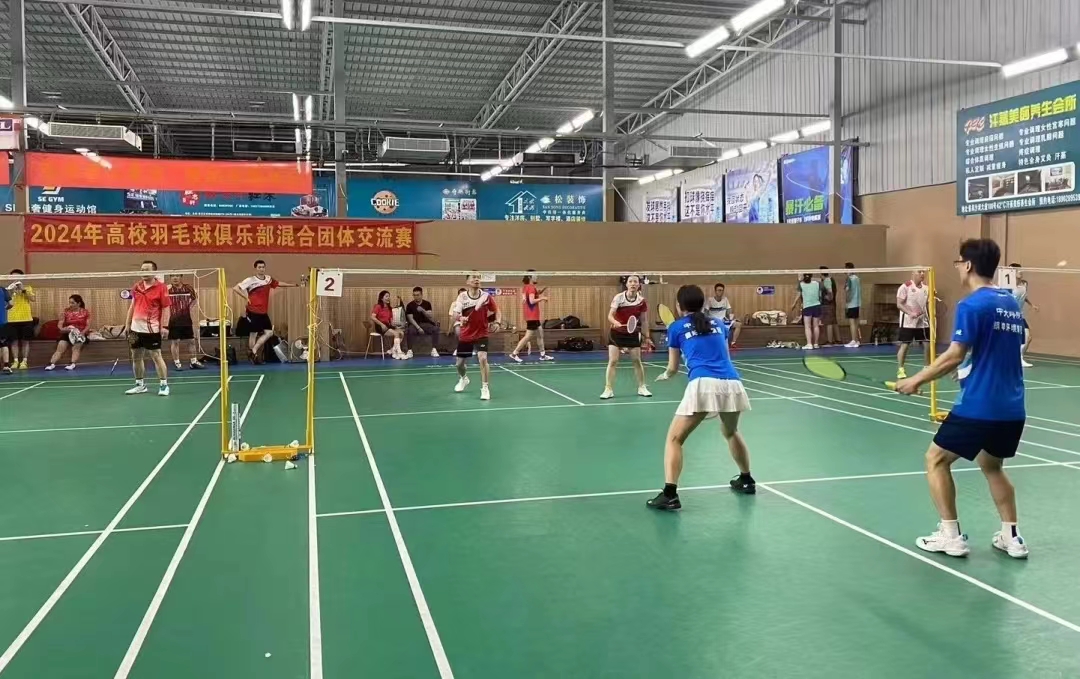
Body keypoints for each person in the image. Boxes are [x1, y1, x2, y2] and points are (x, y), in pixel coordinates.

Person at [896, 238, 1028, 559]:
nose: (957, 267)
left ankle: (950, 536)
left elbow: (954, 354)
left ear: (967, 265)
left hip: (979, 406)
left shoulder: (971, 305)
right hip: (1012, 408)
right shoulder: (1010, 302)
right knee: (992, 465)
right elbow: (996, 349)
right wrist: (969, 367)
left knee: (936, 460)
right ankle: (1012, 537)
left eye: (958, 262)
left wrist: (916, 379)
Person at [648, 284, 755, 510]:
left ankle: (669, 494)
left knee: (674, 440)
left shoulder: (676, 328)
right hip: (732, 382)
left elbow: (673, 368)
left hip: (703, 384)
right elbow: (725, 356)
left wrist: (666, 375)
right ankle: (746, 480)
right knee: (731, 431)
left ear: (679, 306)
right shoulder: (718, 324)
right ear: (703, 304)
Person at [234, 259, 299, 364]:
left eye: (263, 267)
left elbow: (278, 283)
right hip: (253, 310)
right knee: (253, 334)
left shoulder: (268, 279)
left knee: (269, 332)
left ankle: (253, 350)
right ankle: (254, 357)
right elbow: (236, 288)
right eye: (259, 267)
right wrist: (246, 297)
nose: (261, 269)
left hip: (263, 312)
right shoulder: (250, 280)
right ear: (255, 268)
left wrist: (292, 285)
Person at [124, 261, 172, 396]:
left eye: (147, 269)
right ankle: (140, 385)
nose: (144, 272)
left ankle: (164, 385)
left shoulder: (161, 287)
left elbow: (166, 308)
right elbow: (132, 306)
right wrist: (127, 324)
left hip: (151, 329)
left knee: (156, 356)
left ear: (154, 272)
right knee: (136, 356)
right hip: (135, 329)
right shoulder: (137, 286)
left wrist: (165, 326)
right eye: (142, 270)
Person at [450, 273, 500, 400]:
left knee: (483, 358)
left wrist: (497, 322)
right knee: (459, 364)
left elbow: (497, 311)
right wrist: (461, 318)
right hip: (466, 334)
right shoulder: (462, 296)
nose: (477, 279)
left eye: (478, 277)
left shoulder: (486, 297)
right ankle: (463, 378)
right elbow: (455, 314)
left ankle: (485, 388)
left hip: (481, 333)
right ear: (467, 281)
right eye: (473, 277)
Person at [602, 274, 651, 399]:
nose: (633, 284)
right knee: (613, 361)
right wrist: (615, 322)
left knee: (636, 360)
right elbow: (610, 315)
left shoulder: (641, 301)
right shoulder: (619, 298)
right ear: (627, 284)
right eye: (630, 281)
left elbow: (644, 320)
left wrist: (647, 337)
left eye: (635, 281)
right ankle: (608, 389)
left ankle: (642, 387)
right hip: (616, 333)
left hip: (632, 333)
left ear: (639, 284)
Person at [509, 270, 554, 363]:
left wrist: (542, 290)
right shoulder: (531, 288)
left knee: (540, 334)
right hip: (532, 316)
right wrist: (543, 298)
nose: (536, 277)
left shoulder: (526, 287)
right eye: (535, 275)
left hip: (532, 316)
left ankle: (543, 355)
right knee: (527, 336)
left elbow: (532, 295)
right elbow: (532, 301)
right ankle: (514, 353)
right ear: (530, 277)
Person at [896, 269, 930, 379]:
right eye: (919, 272)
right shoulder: (905, 287)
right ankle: (901, 369)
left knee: (927, 344)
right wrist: (910, 313)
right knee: (905, 345)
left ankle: (926, 368)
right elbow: (899, 304)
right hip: (908, 321)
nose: (922, 274)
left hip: (922, 321)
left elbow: (926, 305)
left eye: (923, 272)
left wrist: (929, 317)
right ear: (913, 274)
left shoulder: (926, 288)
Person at [167, 274, 204, 370]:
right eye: (172, 276)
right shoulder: (167, 289)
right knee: (175, 341)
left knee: (191, 340)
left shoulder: (188, 288)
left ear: (181, 277)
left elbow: (195, 299)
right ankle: (177, 363)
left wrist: (189, 307)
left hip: (186, 318)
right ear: (170, 278)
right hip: (174, 319)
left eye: (177, 276)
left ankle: (193, 362)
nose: (175, 278)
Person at [45, 295, 90, 371]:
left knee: (76, 347)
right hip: (68, 332)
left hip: (80, 334)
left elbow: (88, 325)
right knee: (60, 347)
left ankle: (72, 364)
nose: (70, 305)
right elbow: (60, 323)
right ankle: (51, 364)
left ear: (78, 303)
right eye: (70, 303)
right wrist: (63, 329)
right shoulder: (66, 311)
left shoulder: (85, 312)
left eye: (72, 303)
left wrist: (82, 333)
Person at [1008, 263, 1039, 368]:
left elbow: (1023, 296)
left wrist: (1032, 305)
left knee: (1028, 338)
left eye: (1020, 270)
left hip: (1020, 315)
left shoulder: (1024, 284)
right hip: (1010, 315)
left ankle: (1018, 358)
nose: (1020, 272)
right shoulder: (1008, 287)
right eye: (1016, 270)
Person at [6, 269, 36, 369]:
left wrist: (23, 289)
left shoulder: (28, 288)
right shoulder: (7, 289)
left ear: (22, 278)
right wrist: (11, 291)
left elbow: (33, 299)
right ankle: (15, 361)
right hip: (12, 319)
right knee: (13, 341)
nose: (15, 279)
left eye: (17, 277)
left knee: (25, 341)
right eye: (13, 277)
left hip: (26, 319)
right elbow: (6, 302)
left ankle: (24, 361)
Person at [405, 286, 441, 358]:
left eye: (418, 295)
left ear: (421, 295)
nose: (416, 297)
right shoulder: (410, 305)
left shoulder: (427, 304)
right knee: (410, 330)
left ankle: (434, 350)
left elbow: (430, 316)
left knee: (436, 329)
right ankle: (409, 350)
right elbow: (410, 319)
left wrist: (422, 310)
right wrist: (418, 328)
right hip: (415, 324)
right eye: (414, 295)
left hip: (426, 324)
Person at [371, 290, 406, 359]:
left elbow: (391, 321)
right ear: (382, 298)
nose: (388, 298)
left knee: (401, 333)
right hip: (380, 326)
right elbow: (372, 317)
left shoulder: (390, 308)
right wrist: (381, 324)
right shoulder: (378, 306)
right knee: (396, 334)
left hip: (388, 325)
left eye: (389, 296)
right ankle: (399, 353)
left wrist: (396, 326)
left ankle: (393, 350)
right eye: (386, 296)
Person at [790, 273, 822, 350]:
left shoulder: (801, 284)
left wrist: (794, 304)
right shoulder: (817, 283)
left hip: (807, 307)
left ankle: (809, 344)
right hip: (817, 305)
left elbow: (798, 295)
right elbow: (820, 294)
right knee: (816, 326)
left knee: (807, 326)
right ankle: (816, 344)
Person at [819, 265, 840, 346]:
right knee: (834, 322)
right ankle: (838, 340)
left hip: (828, 305)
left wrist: (828, 297)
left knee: (829, 323)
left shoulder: (827, 280)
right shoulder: (831, 279)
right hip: (832, 304)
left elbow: (830, 292)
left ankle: (830, 341)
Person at [843, 262, 862, 348]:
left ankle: (853, 340)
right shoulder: (857, 278)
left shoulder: (849, 279)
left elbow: (848, 291)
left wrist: (847, 303)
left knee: (852, 323)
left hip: (851, 303)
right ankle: (857, 341)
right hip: (857, 303)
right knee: (856, 322)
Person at [0, 284, 11, 374]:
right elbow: (11, 304)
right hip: (2, 322)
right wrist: (4, 309)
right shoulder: (3, 289)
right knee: (4, 344)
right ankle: (6, 366)